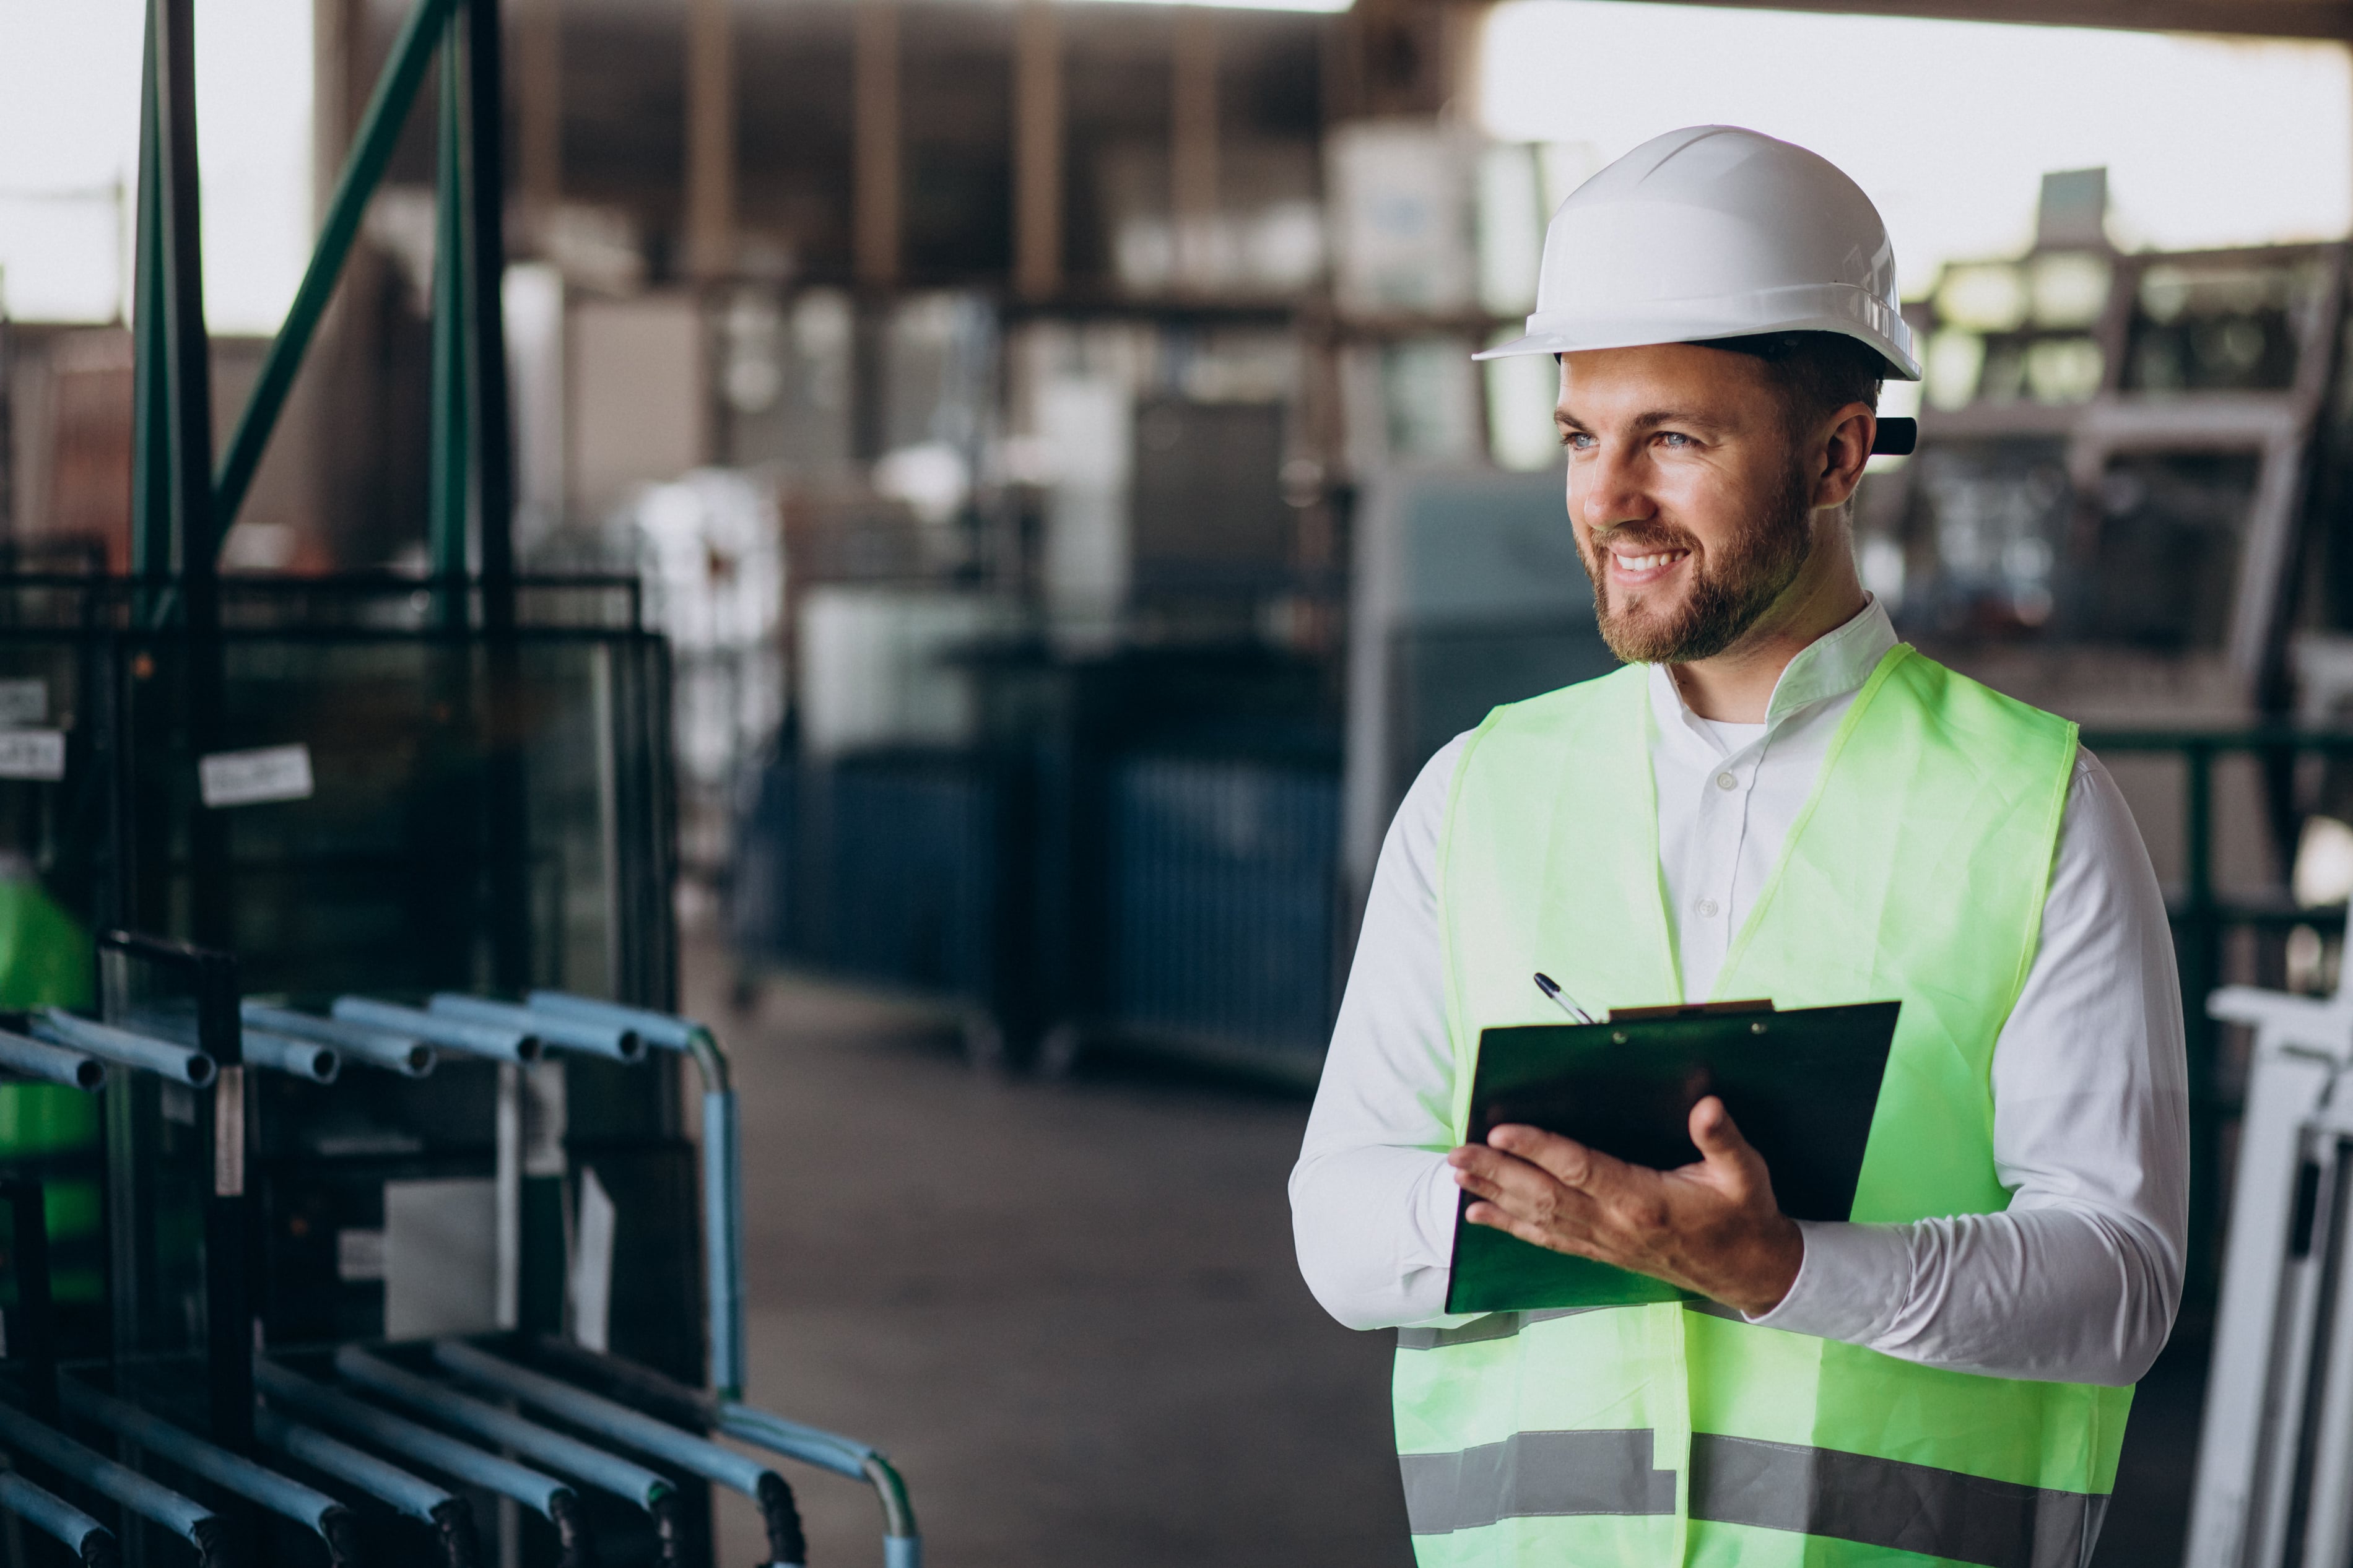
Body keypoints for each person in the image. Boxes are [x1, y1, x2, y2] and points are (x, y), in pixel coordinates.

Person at [1289, 125, 2187, 1566]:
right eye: (1584, 435)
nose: (1609, 499)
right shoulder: (1478, 792)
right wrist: (1556, 1213)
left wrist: (1779, 1270)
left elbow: (2119, 1283)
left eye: (1675, 438)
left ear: (1838, 454)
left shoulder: (2036, 809)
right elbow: (1336, 1230)